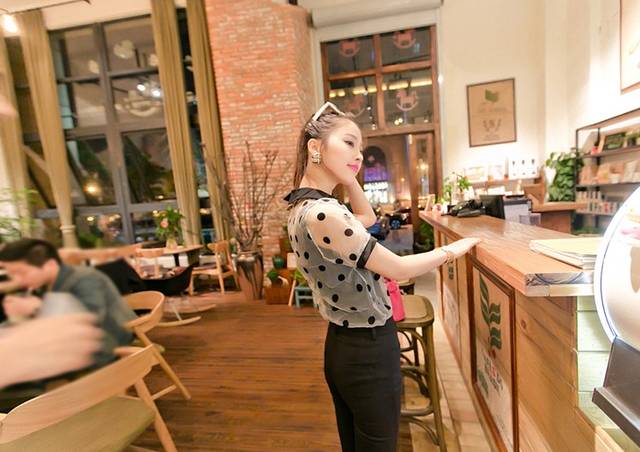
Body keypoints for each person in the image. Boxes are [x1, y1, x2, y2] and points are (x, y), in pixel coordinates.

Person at [283, 102, 480, 452]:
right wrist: (453, 250)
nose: (358, 155)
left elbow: (367, 218)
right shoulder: (324, 213)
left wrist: (349, 178)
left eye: (360, 147)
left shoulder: (307, 207)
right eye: (349, 143)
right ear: (315, 147)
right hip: (368, 350)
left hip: (345, 345)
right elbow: (398, 269)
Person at [0, 239, 136, 366]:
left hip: (106, 345)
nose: (18, 280)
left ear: (50, 265)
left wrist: (37, 308)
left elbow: (89, 322)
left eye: (21, 273)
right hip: (70, 345)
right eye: (12, 274)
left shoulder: (85, 279)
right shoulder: (43, 284)